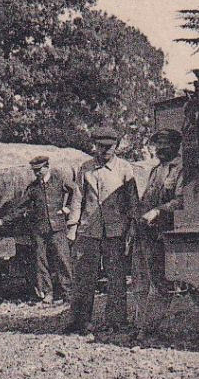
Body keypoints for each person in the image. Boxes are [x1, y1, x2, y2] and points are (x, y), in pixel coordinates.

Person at [66, 123, 137, 333]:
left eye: (109, 146)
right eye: (100, 146)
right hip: (89, 231)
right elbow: (78, 198)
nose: (105, 150)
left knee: (116, 278)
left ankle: (115, 321)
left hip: (116, 232)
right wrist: (72, 226)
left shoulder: (124, 168)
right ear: (95, 146)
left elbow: (132, 201)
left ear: (116, 146)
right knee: (84, 278)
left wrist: (131, 226)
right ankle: (79, 321)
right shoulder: (85, 168)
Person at [134, 128, 184, 320]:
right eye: (159, 144)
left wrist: (157, 211)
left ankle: (152, 325)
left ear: (176, 146)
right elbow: (148, 197)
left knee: (162, 281)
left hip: (167, 229)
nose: (161, 148)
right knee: (145, 278)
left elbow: (180, 199)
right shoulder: (156, 169)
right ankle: (144, 322)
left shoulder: (180, 169)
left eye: (166, 144)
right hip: (148, 230)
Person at [19, 154, 76, 303]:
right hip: (39, 229)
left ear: (47, 167)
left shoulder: (59, 181)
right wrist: (3, 220)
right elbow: (21, 206)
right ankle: (47, 293)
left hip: (57, 227)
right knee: (40, 261)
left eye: (39, 170)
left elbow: (75, 191)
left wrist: (67, 208)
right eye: (34, 171)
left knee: (63, 259)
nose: (37, 173)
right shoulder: (33, 187)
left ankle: (68, 293)